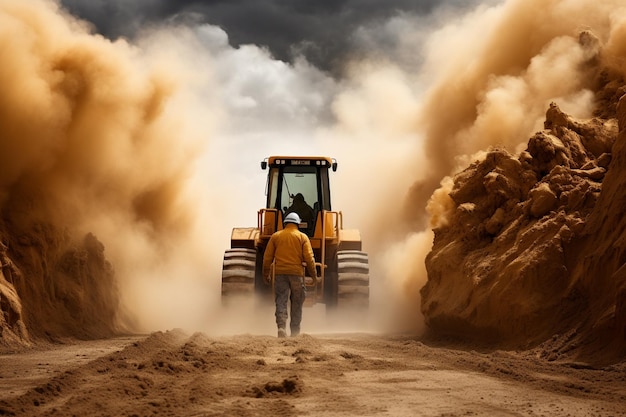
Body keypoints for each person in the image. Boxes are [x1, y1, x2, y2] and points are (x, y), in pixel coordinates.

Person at [263, 212, 317, 338]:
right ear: (298, 224)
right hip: (297, 274)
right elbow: (309, 258)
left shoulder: (276, 236)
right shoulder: (302, 237)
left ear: (285, 223)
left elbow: (267, 258)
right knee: (297, 302)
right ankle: (295, 331)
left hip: (280, 274)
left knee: (281, 300)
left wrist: (266, 274)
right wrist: (314, 276)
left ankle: (281, 327)